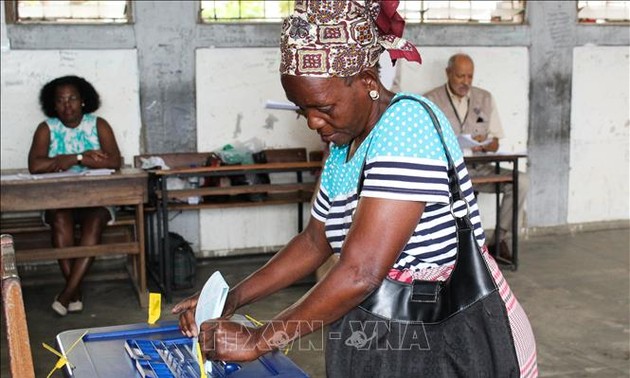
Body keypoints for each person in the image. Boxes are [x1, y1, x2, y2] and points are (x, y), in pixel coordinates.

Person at [173, 1, 537, 377]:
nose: (314, 121)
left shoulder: (405, 127)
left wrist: (259, 339)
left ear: (367, 82)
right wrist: (233, 298)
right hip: (388, 327)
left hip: (449, 335)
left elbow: (362, 271)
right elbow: (316, 240)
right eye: (303, 109)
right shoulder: (343, 144)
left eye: (325, 107)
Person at [28, 75, 121, 316]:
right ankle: (75, 291)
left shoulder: (98, 124)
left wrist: (67, 160)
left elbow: (114, 160)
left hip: (96, 200)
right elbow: (35, 166)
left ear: (83, 101)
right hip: (58, 202)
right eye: (60, 101)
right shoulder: (47, 128)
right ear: (53, 104)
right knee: (59, 219)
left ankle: (68, 293)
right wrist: (80, 158)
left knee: (95, 221)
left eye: (72, 99)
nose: (67, 105)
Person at [424, 53, 530, 261]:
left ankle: (499, 240)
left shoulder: (485, 98)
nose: (466, 82)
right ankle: (458, 248)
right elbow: (425, 143)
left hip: (479, 167)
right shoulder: (430, 100)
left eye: (470, 77)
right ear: (448, 73)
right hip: (449, 172)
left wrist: (487, 144)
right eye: (460, 76)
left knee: (522, 181)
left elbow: (495, 142)